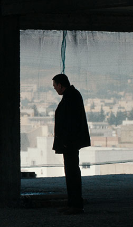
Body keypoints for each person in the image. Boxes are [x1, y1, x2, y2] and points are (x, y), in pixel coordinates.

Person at [52, 74, 90, 215]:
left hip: (70, 143)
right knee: (71, 172)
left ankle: (76, 205)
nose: (55, 89)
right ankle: (73, 203)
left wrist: (67, 141)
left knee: (72, 172)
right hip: (70, 142)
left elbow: (71, 122)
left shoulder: (71, 97)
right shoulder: (72, 95)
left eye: (55, 86)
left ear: (61, 85)